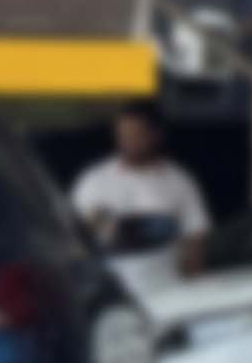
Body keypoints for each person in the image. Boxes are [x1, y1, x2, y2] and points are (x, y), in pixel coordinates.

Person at [70, 105, 214, 257]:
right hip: (111, 267)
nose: (128, 141)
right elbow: (78, 235)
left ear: (156, 135)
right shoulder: (93, 180)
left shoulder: (179, 180)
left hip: (166, 267)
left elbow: (196, 235)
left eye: (136, 134)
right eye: (123, 134)